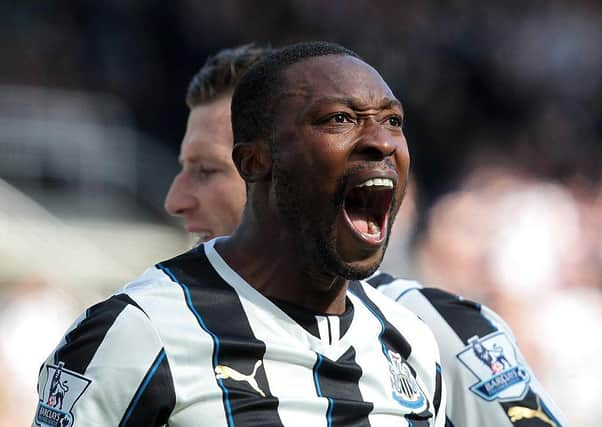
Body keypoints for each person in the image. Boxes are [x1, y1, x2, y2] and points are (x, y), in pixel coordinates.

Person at [34, 42, 446, 426]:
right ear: (253, 162)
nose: (381, 142)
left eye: (393, 121)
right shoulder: (141, 332)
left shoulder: (411, 343)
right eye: (340, 118)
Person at [165, 45, 566, 426]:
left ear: (261, 164)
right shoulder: (152, 330)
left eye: (207, 170)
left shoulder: (437, 332)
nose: (176, 199)